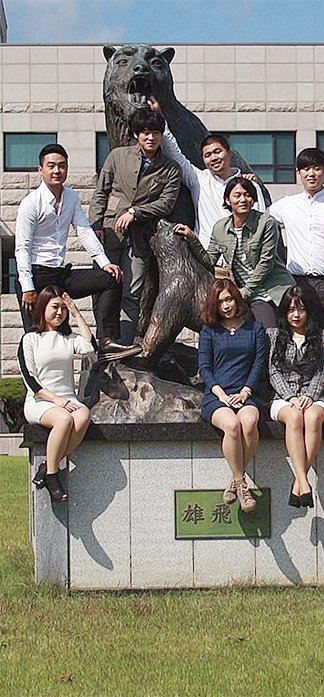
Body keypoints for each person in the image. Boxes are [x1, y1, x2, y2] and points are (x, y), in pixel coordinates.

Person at [15, 143, 141, 362]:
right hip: (35, 277)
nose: (57, 171)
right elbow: (22, 247)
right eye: (51, 166)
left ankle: (107, 341)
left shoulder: (71, 197)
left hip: (60, 274)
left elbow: (84, 231)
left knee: (111, 278)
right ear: (40, 169)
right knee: (38, 341)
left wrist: (104, 263)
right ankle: (35, 382)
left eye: (62, 166)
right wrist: (27, 287)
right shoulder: (31, 203)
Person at [88, 110, 181, 345]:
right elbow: (101, 192)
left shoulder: (170, 168)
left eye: (155, 132)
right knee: (102, 288)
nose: (151, 137)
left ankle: (124, 346)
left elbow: (166, 203)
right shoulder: (118, 156)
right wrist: (95, 225)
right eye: (145, 132)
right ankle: (104, 342)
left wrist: (135, 212)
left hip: (141, 238)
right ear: (137, 134)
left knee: (132, 293)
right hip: (109, 232)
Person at [175, 177, 293, 329]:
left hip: (272, 289)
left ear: (253, 199)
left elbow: (266, 263)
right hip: (244, 293)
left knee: (270, 332)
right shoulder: (220, 228)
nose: (243, 200)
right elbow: (209, 260)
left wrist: (244, 293)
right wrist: (192, 238)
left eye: (247, 195)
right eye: (237, 195)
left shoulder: (266, 222)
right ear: (228, 200)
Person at [148, 97, 267, 248]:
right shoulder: (199, 180)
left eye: (217, 152)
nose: (214, 158)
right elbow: (175, 154)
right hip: (208, 256)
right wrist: (160, 118)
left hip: (243, 258)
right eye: (208, 155)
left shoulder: (249, 186)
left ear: (229, 153)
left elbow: (263, 225)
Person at [18, 286, 95, 502]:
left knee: (83, 415)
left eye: (63, 308)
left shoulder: (69, 338)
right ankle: (53, 476)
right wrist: (55, 399)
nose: (60, 312)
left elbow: (90, 348)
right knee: (64, 419)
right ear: (42, 307)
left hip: (67, 399)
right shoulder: (30, 339)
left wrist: (76, 312)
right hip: (40, 400)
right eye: (55, 307)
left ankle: (47, 465)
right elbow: (30, 379)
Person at [198, 279, 266, 513]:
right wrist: (221, 394)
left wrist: (246, 391)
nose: (226, 306)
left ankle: (235, 481)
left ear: (236, 299)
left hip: (246, 393)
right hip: (217, 396)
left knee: (249, 422)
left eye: (228, 299)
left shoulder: (255, 329)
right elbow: (204, 367)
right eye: (220, 302)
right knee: (232, 425)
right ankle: (242, 484)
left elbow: (259, 364)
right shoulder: (209, 331)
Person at [269, 148, 324, 334]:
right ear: (298, 172)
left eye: (317, 168)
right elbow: (257, 217)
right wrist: (252, 184)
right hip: (298, 283)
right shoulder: (286, 204)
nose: (311, 174)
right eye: (306, 169)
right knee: (302, 336)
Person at [267, 285, 324, 508]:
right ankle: (303, 480)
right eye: (291, 310)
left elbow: (321, 371)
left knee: (313, 417)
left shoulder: (321, 337)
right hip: (283, 398)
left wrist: (310, 396)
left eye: (301, 310)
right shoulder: (274, 335)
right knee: (294, 417)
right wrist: (291, 397)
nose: (296, 315)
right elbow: (273, 371)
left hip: (313, 396)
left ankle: (298, 484)